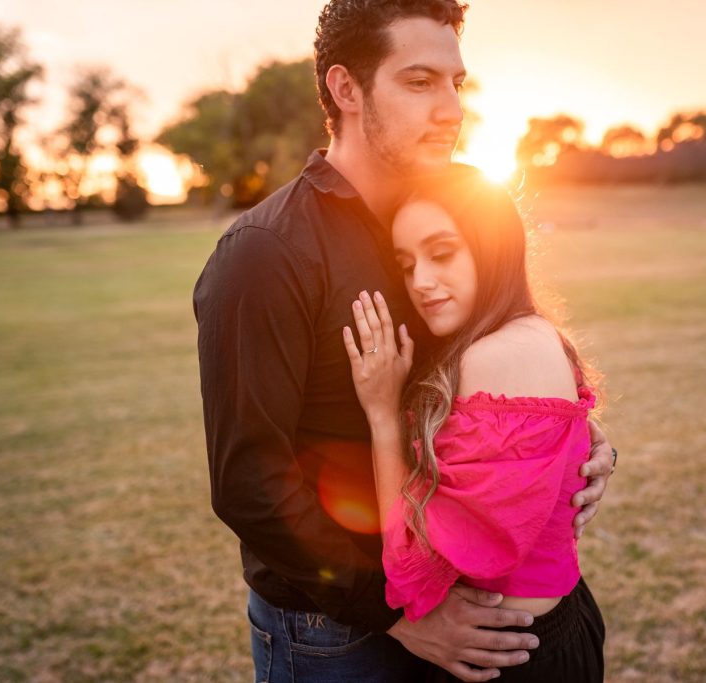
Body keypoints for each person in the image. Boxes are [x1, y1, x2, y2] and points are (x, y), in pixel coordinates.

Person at [192, 1, 616, 681]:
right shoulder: (265, 254)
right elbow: (249, 482)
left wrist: (577, 447)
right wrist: (396, 612)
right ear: (346, 89)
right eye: (419, 82)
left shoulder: (444, 213)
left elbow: (502, 360)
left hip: (462, 606)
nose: (451, 110)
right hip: (337, 631)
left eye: (457, 84)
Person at [342, 165, 607, 682]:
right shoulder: (525, 332)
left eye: (442, 253)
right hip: (537, 636)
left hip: (510, 660)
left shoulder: (495, 355)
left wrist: (381, 412)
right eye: (406, 264)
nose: (421, 281)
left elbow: (417, 561)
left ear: (492, 249)